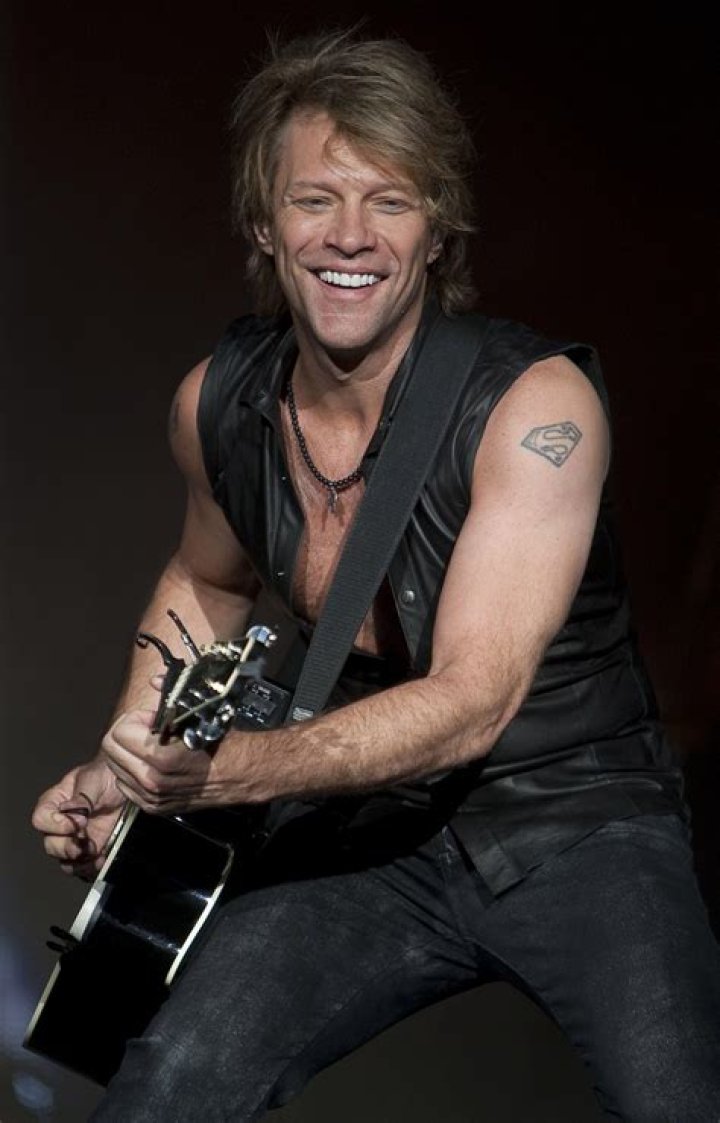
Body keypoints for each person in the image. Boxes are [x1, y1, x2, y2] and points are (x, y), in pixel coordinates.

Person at [32, 29, 720, 1122]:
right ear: (265, 223)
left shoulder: (535, 408)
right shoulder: (218, 404)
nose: (349, 235)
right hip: (366, 829)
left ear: (437, 230)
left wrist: (222, 774)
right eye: (315, 199)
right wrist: (135, 759)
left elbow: (473, 701)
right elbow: (206, 580)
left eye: (388, 202)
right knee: (166, 1088)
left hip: (576, 819)